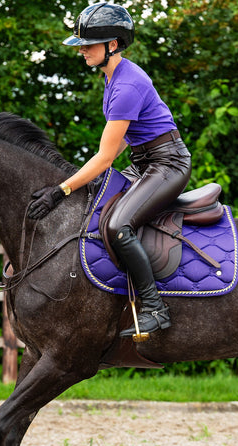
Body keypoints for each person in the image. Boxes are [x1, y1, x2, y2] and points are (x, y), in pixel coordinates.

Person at [28, 2, 192, 337]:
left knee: (118, 225)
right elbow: (117, 146)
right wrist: (85, 181)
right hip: (144, 163)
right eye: (81, 44)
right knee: (94, 206)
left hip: (167, 164)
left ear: (112, 45)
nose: (82, 51)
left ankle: (155, 308)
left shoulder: (127, 85)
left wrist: (62, 189)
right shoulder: (113, 77)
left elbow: (104, 156)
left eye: (88, 44)